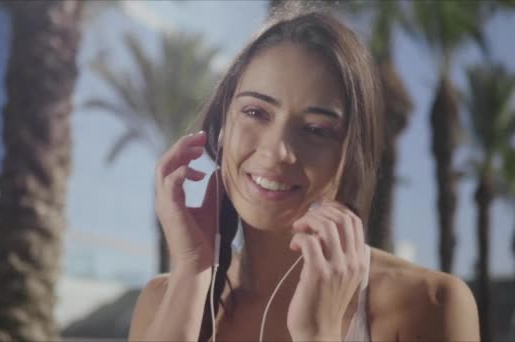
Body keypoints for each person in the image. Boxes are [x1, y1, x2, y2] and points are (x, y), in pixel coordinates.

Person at [128, 4, 480, 342]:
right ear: (222, 125)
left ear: (351, 155)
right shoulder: (161, 300)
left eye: (316, 129)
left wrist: (319, 334)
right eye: (255, 112)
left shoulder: (428, 304)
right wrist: (192, 271)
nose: (278, 150)